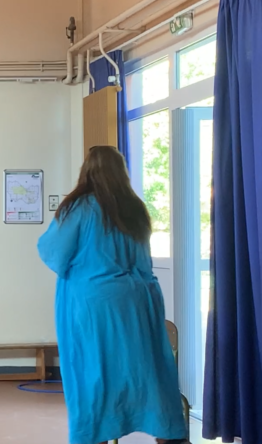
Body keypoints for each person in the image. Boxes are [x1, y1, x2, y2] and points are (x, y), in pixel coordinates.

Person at [37, 146, 190, 444]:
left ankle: (97, 434)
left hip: (95, 304)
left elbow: (53, 252)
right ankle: (168, 434)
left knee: (94, 374)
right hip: (139, 301)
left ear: (87, 170)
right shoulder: (135, 208)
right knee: (149, 371)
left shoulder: (79, 207)